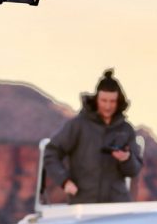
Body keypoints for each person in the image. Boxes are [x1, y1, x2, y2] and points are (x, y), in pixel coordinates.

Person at [43, 68, 143, 203]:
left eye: (112, 101)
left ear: (118, 101)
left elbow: (134, 170)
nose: (108, 106)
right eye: (104, 100)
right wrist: (64, 181)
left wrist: (126, 158)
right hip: (84, 203)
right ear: (96, 99)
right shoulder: (78, 125)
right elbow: (51, 153)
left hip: (117, 205)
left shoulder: (126, 129)